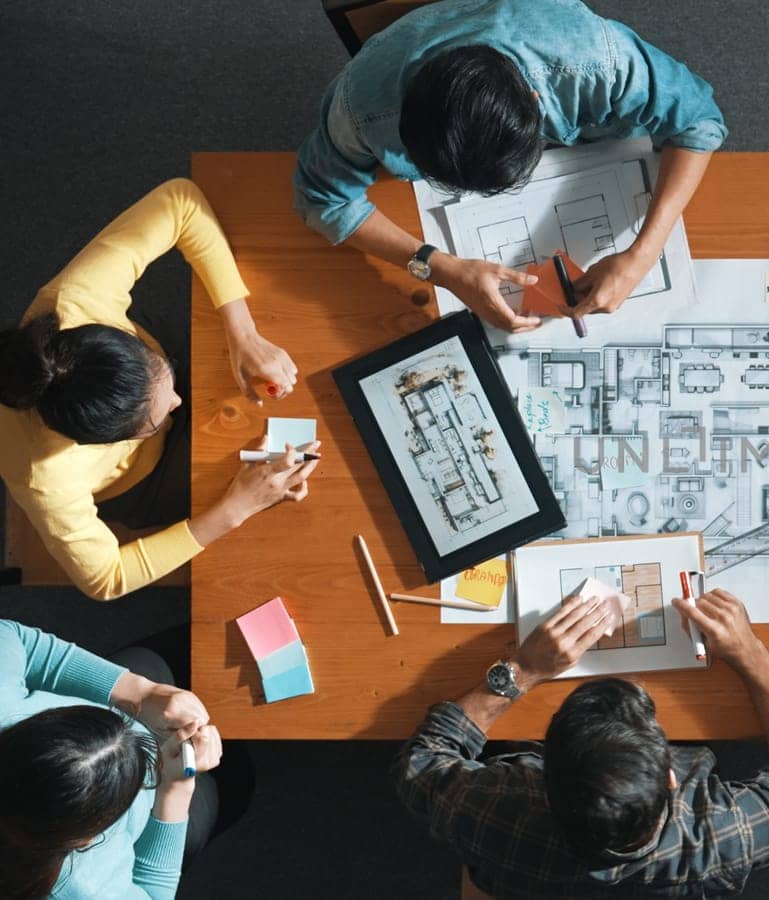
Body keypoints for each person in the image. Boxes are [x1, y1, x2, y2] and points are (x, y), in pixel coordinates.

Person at [293, 0, 726, 334]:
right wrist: (442, 268)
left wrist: (641, 255)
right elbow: (320, 199)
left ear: (535, 102)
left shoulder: (595, 60)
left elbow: (699, 120)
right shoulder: (362, 110)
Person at [394, 588, 769, 898]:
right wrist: (749, 652)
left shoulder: (491, 815)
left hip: (523, 871)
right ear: (671, 778)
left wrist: (524, 670)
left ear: (544, 780)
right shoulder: (725, 839)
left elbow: (421, 760)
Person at [0, 179, 322, 601]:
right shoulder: (44, 478)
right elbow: (105, 580)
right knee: (265, 506)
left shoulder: (75, 301)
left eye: (162, 379)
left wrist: (242, 332)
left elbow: (181, 201)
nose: (178, 402)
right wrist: (235, 509)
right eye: (154, 420)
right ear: (106, 441)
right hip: (142, 481)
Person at [0, 619, 225, 900]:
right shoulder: (84, 888)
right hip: (163, 809)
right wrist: (176, 791)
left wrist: (141, 694)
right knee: (235, 783)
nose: (135, 725)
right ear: (87, 840)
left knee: (159, 657)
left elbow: (10, 635)